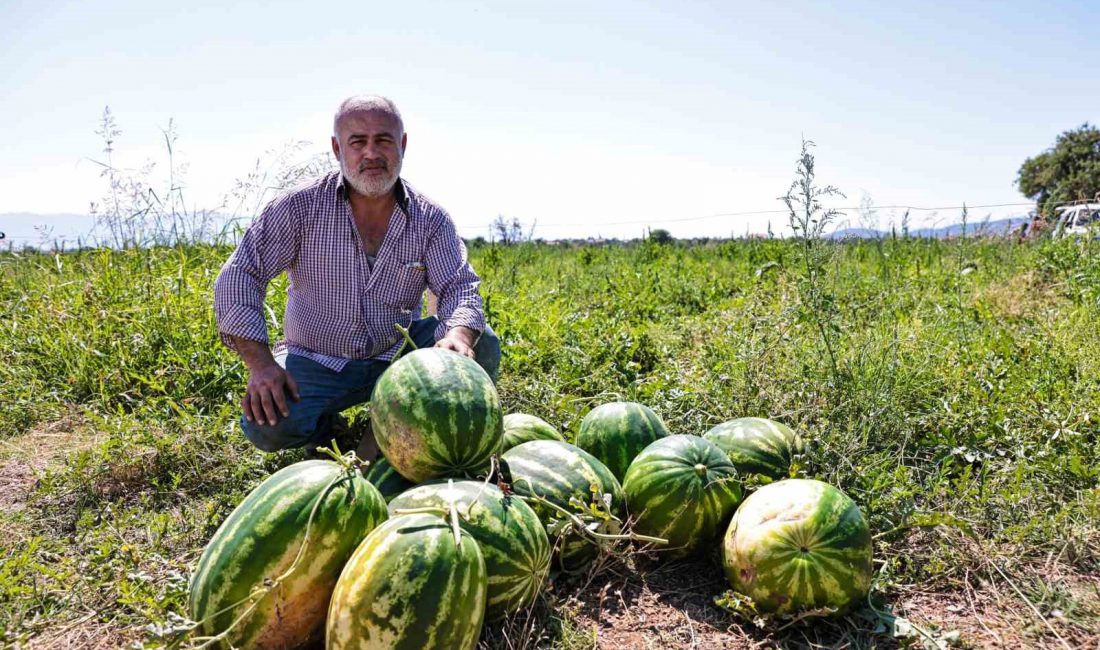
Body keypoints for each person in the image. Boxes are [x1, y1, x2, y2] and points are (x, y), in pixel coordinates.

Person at [213, 95, 499, 459]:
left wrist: (457, 335)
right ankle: (324, 426)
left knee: (481, 342)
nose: (371, 153)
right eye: (357, 142)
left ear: (402, 145)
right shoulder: (298, 208)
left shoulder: (430, 220)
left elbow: (459, 286)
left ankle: (391, 435)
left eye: (383, 140)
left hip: (398, 358)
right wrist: (262, 365)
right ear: (336, 148)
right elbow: (241, 275)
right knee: (267, 425)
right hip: (317, 361)